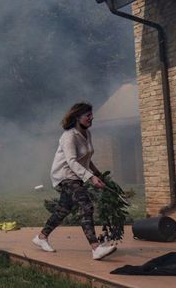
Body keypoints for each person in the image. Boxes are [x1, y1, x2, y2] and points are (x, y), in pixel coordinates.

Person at [32, 102, 117, 261]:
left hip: (77, 175)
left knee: (63, 210)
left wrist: (98, 174)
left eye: (92, 115)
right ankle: (96, 248)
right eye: (88, 115)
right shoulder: (68, 136)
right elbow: (71, 161)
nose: (91, 118)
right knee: (86, 205)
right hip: (65, 175)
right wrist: (91, 177)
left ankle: (41, 237)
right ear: (77, 117)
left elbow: (86, 158)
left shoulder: (87, 134)